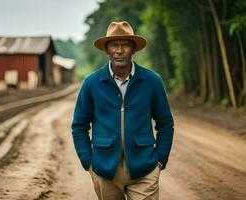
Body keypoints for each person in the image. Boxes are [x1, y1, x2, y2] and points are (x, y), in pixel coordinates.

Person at [71, 21, 174, 200]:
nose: (119, 50)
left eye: (125, 44)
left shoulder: (152, 81)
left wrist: (160, 160)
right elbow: (79, 126)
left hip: (145, 169)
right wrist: (88, 162)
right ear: (106, 49)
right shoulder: (91, 83)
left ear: (133, 49)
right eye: (114, 45)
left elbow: (165, 123)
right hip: (104, 171)